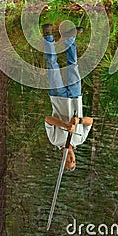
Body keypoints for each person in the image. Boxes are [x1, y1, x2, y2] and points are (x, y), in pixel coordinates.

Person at [42, 23, 93, 171]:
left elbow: (48, 120)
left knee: (52, 65)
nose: (71, 158)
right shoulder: (80, 139)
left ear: (62, 160)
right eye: (73, 161)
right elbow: (90, 122)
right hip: (76, 97)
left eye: (68, 161)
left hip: (58, 97)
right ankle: (70, 38)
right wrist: (79, 121)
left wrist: (65, 125)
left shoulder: (54, 140)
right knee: (73, 65)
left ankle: (48, 36)